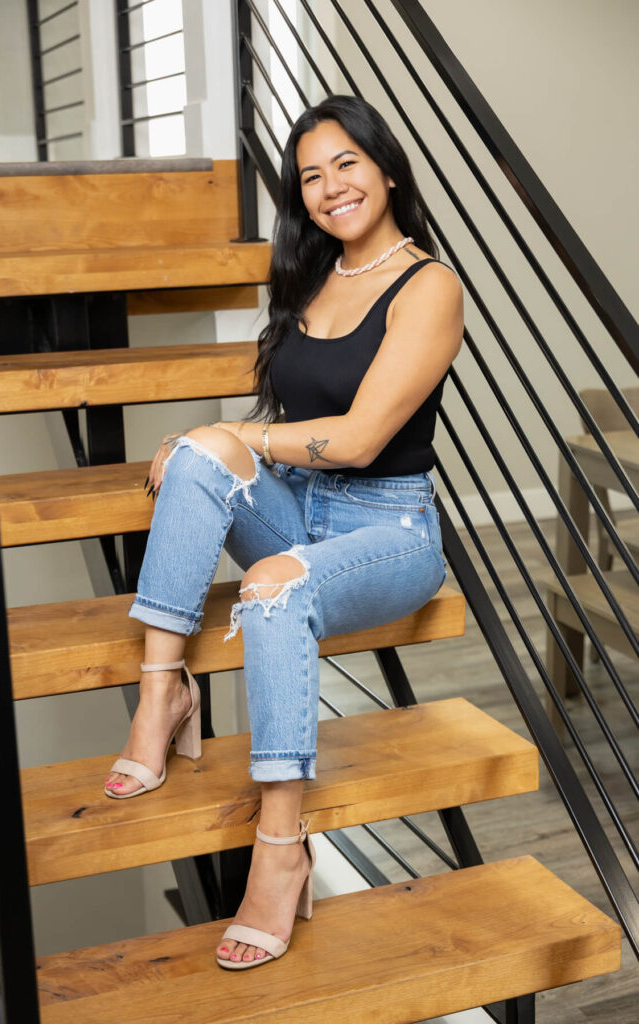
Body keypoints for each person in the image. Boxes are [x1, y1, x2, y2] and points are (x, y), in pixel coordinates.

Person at [104, 95, 463, 970]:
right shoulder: (309, 276)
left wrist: (235, 434)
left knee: (270, 583)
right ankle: (164, 692)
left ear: (386, 168)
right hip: (300, 506)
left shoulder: (430, 286)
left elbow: (361, 439)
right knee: (196, 460)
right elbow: (280, 429)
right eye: (310, 176)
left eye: (346, 163)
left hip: (389, 524)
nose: (330, 187)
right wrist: (215, 444)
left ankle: (279, 847)